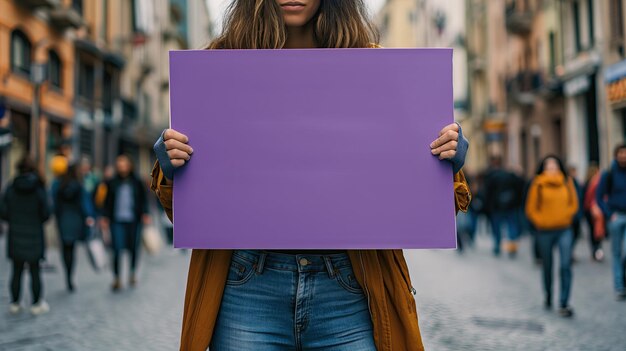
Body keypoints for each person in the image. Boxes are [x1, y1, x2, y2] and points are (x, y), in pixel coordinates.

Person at [150, 1, 471, 350]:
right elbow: (189, 211)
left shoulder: (377, 67)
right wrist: (171, 166)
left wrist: (446, 162)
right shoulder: (216, 64)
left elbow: (424, 204)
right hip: (246, 285)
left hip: (350, 286)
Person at [525, 156, 578, 317]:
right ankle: (548, 295)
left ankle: (564, 302)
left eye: (555, 166)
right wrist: (541, 221)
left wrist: (566, 217)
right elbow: (530, 208)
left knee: (565, 265)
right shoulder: (537, 183)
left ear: (560, 167)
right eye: (548, 166)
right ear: (543, 168)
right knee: (547, 266)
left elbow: (574, 203)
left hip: (564, 229)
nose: (552, 169)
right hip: (545, 231)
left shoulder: (567, 182)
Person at [0, 156, 51, 315]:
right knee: (35, 270)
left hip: (16, 233)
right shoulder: (38, 188)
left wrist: (14, 220)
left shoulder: (11, 187)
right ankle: (36, 304)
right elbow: (46, 212)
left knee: (16, 270)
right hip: (35, 233)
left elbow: (3, 211)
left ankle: (15, 303)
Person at [101, 155, 149, 292]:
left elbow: (143, 199)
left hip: (133, 220)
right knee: (116, 249)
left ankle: (132, 273)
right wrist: (104, 217)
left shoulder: (137, 181)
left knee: (133, 248)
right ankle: (116, 277)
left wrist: (145, 213)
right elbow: (106, 201)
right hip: (116, 220)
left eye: (124, 164)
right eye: (119, 164)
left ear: (129, 165)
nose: (122, 167)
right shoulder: (112, 182)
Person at [52, 164, 95, 292]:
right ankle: (70, 275)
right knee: (72, 248)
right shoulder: (79, 185)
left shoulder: (58, 184)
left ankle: (67, 273)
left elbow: (53, 201)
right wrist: (88, 216)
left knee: (65, 248)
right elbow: (84, 203)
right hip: (75, 219)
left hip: (63, 219)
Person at [596, 144, 626, 301]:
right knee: (616, 253)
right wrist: (609, 214)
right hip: (616, 217)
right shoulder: (609, 174)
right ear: (616, 155)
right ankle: (619, 286)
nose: (624, 156)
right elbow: (599, 197)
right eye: (621, 153)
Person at [483, 156, 525, 257]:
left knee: (497, 228)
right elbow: (521, 188)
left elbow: (487, 193)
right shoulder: (511, 176)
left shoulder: (491, 176)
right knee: (512, 228)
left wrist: (487, 207)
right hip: (511, 206)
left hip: (496, 207)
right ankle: (512, 248)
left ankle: (497, 246)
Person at [583, 164, 605, 261]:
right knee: (598, 231)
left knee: (592, 231)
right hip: (596, 209)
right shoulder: (597, 182)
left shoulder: (586, 183)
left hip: (588, 210)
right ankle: (598, 250)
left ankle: (595, 251)